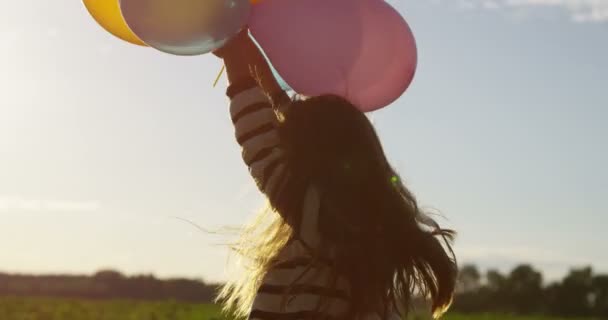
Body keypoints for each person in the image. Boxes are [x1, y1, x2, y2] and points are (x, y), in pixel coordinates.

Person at [214, 29, 457, 320]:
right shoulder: (373, 216)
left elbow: (255, 127)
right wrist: (240, 42)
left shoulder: (313, 211)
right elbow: (293, 113)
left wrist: (232, 54)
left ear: (307, 156)